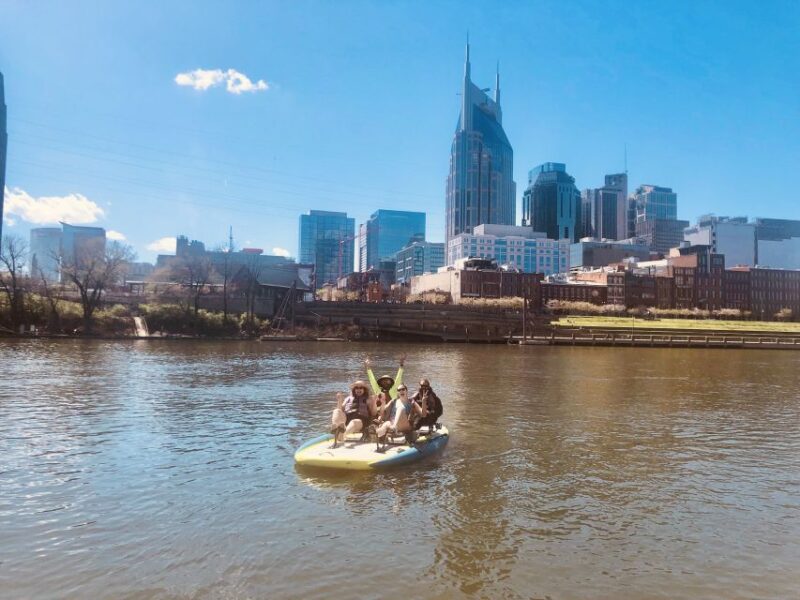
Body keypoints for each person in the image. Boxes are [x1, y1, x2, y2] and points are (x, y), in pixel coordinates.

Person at [374, 383, 426, 451]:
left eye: (403, 389)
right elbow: (383, 411)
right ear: (398, 392)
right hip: (392, 424)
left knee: (401, 408)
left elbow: (423, 414)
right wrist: (382, 402)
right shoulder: (394, 401)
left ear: (406, 391)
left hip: (405, 425)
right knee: (386, 424)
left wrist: (424, 402)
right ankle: (378, 435)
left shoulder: (411, 402)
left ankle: (393, 428)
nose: (401, 391)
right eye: (399, 390)